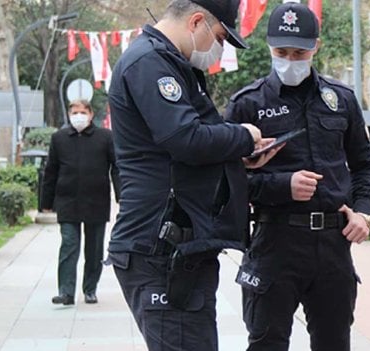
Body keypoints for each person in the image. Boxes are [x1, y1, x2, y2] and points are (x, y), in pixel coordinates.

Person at [106, 0, 276, 349]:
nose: (218, 50)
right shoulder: (150, 63)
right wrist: (245, 136)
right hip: (160, 249)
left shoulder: (171, 63)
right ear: (196, 21)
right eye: (218, 37)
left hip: (181, 247)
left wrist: (238, 160)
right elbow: (186, 138)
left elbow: (176, 153)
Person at [225, 3, 370, 350]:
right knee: (267, 341)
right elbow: (227, 181)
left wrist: (366, 214)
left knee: (334, 341)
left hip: (332, 244)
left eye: (299, 52)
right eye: (281, 52)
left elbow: (366, 166)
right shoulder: (247, 104)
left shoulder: (341, 100)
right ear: (269, 47)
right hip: (274, 241)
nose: (290, 60)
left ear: (316, 47)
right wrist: (282, 186)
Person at [41, 99, 120, 306]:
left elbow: (116, 167)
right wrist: (46, 201)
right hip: (67, 201)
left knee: (94, 250)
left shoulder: (105, 138)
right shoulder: (59, 139)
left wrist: (122, 196)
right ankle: (66, 292)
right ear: (69, 115)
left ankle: (90, 289)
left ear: (91, 114)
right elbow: (51, 171)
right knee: (69, 245)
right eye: (74, 112)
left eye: (82, 112)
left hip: (96, 200)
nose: (78, 116)